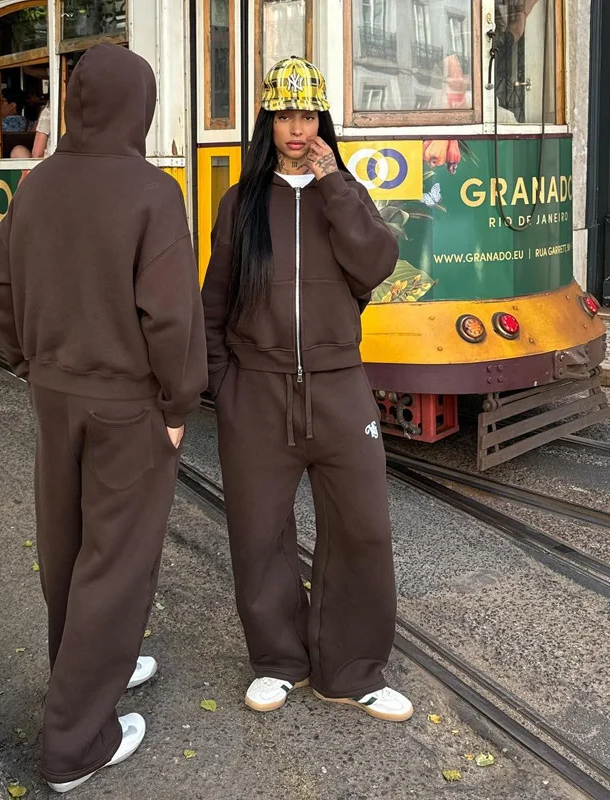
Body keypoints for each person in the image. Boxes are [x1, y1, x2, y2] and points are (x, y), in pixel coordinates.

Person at [0, 44, 207, 794]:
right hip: (128, 405)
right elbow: (172, 319)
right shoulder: (153, 193)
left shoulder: (36, 186)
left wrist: (30, 364)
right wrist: (179, 406)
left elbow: (2, 292)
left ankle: (87, 670)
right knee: (117, 560)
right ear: (137, 107)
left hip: (53, 394)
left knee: (68, 546)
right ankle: (75, 744)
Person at [201, 57, 413, 722]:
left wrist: (334, 185)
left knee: (363, 531)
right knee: (258, 533)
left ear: (323, 120)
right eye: (286, 115)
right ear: (268, 120)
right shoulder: (241, 203)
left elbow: (377, 262)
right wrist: (222, 385)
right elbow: (215, 302)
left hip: (340, 387)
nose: (298, 128)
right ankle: (277, 661)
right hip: (257, 393)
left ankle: (351, 671)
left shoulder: (342, 191)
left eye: (309, 114)